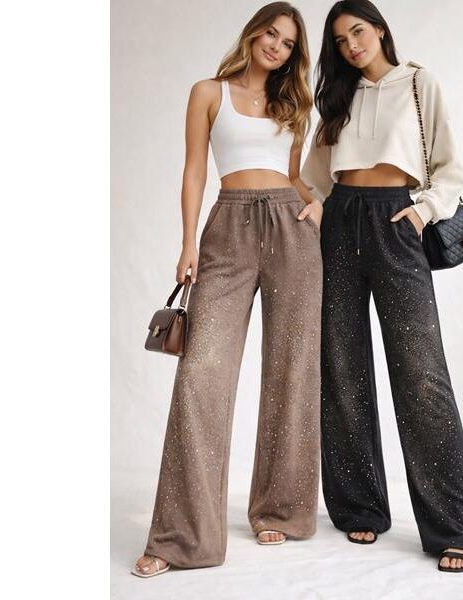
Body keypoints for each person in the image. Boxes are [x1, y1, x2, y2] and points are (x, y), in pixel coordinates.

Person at [133, 1, 324, 577]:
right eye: (271, 33)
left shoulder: (295, 106)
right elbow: (194, 169)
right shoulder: (208, 92)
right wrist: (188, 241)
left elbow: (294, 174)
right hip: (228, 228)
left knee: (293, 370)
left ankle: (281, 510)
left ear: (293, 55)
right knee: (201, 375)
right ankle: (181, 538)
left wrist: (315, 203)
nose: (276, 46)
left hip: (292, 229)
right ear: (253, 33)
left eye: (288, 43)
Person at [299, 0, 463, 572]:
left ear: (380, 29)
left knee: (421, 373)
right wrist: (319, 207)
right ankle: (359, 506)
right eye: (340, 40)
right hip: (341, 221)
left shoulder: (419, 83)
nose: (352, 45)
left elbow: (449, 166)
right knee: (342, 366)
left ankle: (454, 526)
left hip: (397, 219)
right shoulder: (338, 96)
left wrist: (423, 210)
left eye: (358, 31)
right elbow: (312, 175)